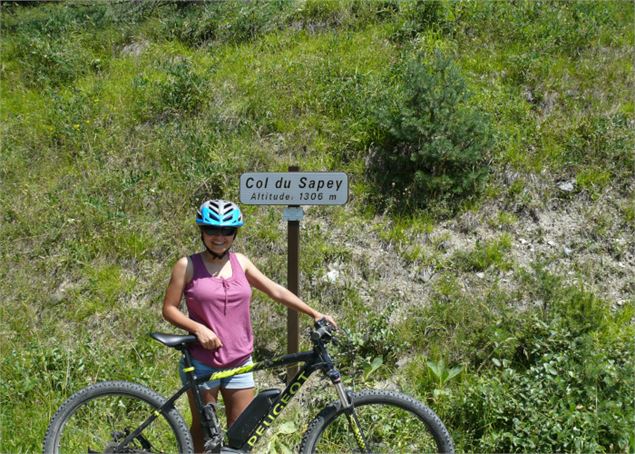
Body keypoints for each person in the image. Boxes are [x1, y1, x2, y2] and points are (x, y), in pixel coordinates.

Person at [162, 199, 336, 452]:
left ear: (235, 233)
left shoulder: (240, 262)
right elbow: (169, 309)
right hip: (202, 361)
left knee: (241, 436)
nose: (219, 237)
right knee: (202, 431)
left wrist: (314, 312)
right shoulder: (186, 266)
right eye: (212, 230)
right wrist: (198, 328)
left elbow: (275, 290)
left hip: (241, 361)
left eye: (227, 231)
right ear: (202, 231)